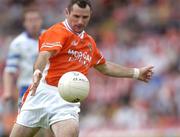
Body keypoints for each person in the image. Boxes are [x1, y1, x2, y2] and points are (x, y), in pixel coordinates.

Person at [9, 0, 154, 137]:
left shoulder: (89, 42)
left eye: (85, 17)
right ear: (67, 13)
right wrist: (37, 72)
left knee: (70, 131)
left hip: (66, 101)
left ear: (90, 16)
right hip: (41, 93)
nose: (80, 21)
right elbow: (45, 54)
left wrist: (136, 73)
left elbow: (104, 66)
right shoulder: (58, 31)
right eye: (76, 16)